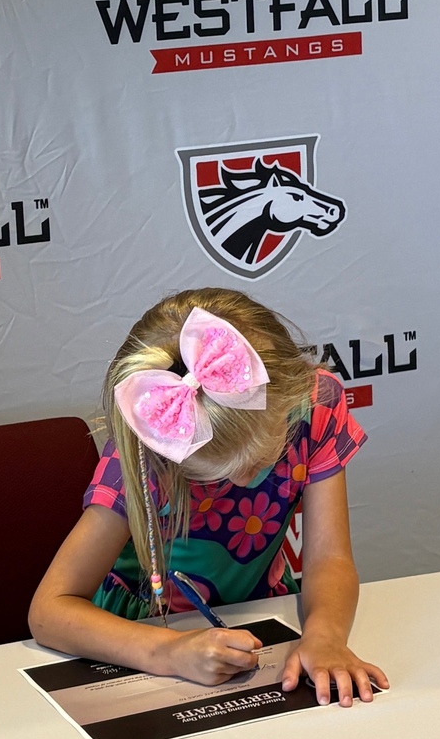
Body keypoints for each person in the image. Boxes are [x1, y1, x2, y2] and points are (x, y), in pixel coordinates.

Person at [29, 287, 389, 707]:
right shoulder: (145, 453)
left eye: (261, 457)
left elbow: (329, 558)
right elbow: (50, 611)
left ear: (291, 393)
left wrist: (325, 636)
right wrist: (167, 652)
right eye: (219, 472)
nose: (247, 478)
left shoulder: (317, 404)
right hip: (142, 635)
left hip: (263, 614)